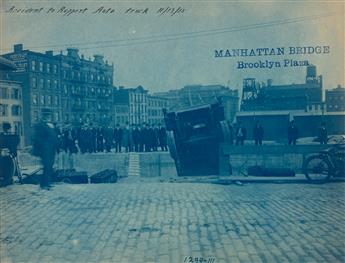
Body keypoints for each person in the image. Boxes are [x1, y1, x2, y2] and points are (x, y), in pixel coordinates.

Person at [32, 115, 58, 189]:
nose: (48, 118)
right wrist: (45, 146)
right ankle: (44, 184)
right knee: (47, 166)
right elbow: (38, 138)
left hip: (51, 149)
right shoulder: (40, 126)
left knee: (49, 167)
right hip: (45, 150)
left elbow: (53, 137)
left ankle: (47, 182)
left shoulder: (49, 126)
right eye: (46, 116)